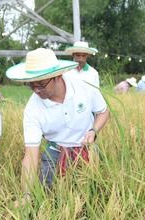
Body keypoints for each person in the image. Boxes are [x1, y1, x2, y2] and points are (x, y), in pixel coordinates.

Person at [6, 48, 110, 198]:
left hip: (86, 147)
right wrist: (26, 195)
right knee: (48, 195)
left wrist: (94, 130)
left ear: (57, 76)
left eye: (41, 84)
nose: (36, 90)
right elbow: (30, 154)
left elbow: (103, 111)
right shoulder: (33, 109)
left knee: (93, 194)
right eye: (31, 85)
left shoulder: (84, 87)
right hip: (55, 151)